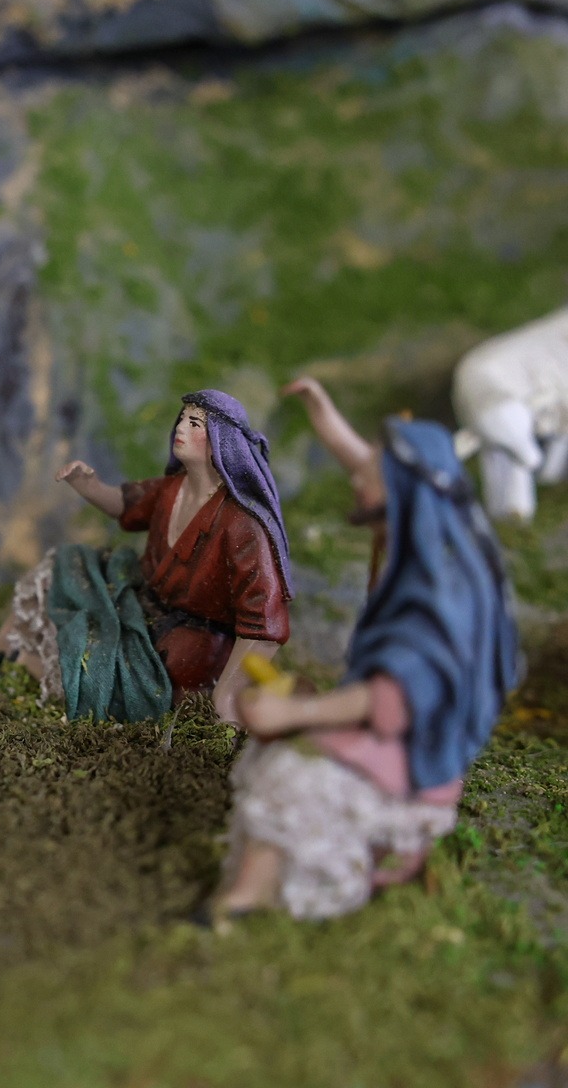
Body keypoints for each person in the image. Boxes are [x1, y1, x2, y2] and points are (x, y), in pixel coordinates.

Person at [209, 379, 522, 921]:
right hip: (390, 731)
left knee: (294, 769)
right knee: (277, 752)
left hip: (414, 752)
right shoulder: (419, 533)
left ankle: (263, 893)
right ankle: (261, 879)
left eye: (368, 473)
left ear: (400, 490)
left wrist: (297, 712)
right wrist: (322, 412)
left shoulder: (437, 594)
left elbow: (392, 697)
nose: (354, 478)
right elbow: (367, 463)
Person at [0, 389, 293, 724]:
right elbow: (128, 504)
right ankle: (4, 650)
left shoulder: (242, 525)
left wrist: (228, 694)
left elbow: (263, 626)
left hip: (185, 643)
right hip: (139, 599)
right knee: (67, 567)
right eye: (183, 419)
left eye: (195, 423)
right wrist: (88, 486)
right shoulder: (172, 488)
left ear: (222, 442)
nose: (181, 428)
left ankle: (31, 664)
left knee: (104, 669)